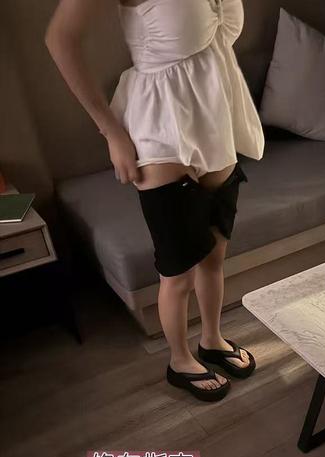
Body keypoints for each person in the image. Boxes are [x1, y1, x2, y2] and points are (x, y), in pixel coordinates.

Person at [45, 0, 265, 402]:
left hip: (216, 120)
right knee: (177, 272)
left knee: (214, 255)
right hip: (159, 128)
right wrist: (112, 132)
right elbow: (60, 38)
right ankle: (180, 360)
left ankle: (212, 340)